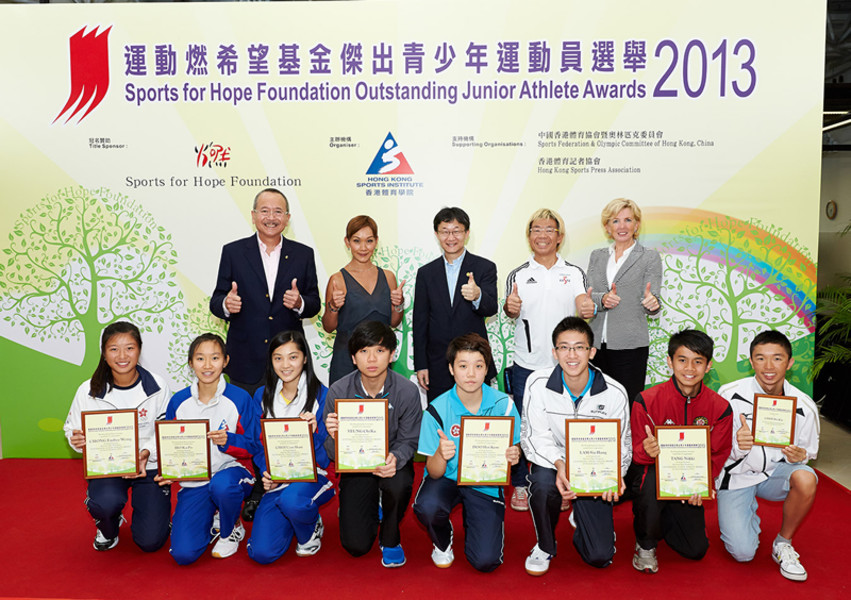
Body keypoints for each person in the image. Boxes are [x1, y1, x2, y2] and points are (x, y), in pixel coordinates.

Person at [521, 317, 631, 576]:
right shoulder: (537, 384)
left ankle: (581, 518)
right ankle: (544, 545)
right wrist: (560, 465)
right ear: (554, 352)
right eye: (564, 347)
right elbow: (533, 437)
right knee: (542, 485)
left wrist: (615, 476)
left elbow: (622, 445)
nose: (572, 355)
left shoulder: (615, 392)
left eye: (579, 347)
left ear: (591, 352)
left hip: (594, 467)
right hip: (553, 461)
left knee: (600, 557)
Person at [503, 208, 593, 511]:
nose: (542, 235)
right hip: (526, 363)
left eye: (549, 229)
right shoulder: (518, 273)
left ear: (560, 236)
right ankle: (519, 483)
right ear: (529, 236)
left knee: (566, 423)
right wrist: (510, 307)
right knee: (521, 423)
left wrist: (587, 306)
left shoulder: (574, 273)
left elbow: (583, 302)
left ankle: (564, 482)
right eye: (536, 229)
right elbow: (510, 309)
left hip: (567, 364)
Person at [716, 330, 819, 581]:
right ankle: (743, 511)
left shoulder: (804, 405)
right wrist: (738, 445)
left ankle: (783, 543)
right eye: (760, 358)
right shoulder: (728, 395)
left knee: (806, 478)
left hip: (775, 475)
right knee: (743, 553)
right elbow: (715, 447)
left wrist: (799, 456)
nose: (769, 366)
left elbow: (808, 453)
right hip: (738, 476)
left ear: (790, 362)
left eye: (777, 358)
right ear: (751, 362)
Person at [413, 334, 521, 572]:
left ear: (486, 369)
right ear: (451, 369)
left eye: (478, 366)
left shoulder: (504, 405)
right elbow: (433, 471)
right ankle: (443, 541)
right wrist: (441, 454)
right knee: (426, 507)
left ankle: (478, 520)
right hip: (446, 479)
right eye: (463, 366)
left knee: (486, 562)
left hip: (484, 481)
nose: (471, 374)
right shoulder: (436, 410)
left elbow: (515, 447)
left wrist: (514, 454)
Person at [630, 329, 732, 574]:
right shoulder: (646, 400)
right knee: (650, 480)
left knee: (695, 550)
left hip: (688, 483)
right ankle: (645, 543)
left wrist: (702, 484)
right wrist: (647, 451)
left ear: (708, 366)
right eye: (682, 360)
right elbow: (636, 455)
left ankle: (661, 519)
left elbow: (718, 453)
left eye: (698, 361)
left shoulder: (720, 408)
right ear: (669, 362)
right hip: (652, 479)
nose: (690, 368)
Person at [63, 321, 171, 552]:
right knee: (105, 503)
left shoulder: (158, 386)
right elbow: (71, 428)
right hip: (108, 465)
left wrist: (146, 453)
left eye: (129, 348)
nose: (122, 355)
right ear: (103, 353)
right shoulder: (88, 390)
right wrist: (78, 441)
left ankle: (156, 517)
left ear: (139, 350)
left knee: (151, 542)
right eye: (114, 349)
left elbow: (165, 429)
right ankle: (108, 525)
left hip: (148, 465)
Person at [323, 320, 422, 567]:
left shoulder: (407, 391)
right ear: (354, 358)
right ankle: (371, 505)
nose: (372, 359)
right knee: (355, 547)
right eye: (364, 351)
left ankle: (390, 539)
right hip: (356, 465)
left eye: (379, 350)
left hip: (390, 463)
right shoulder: (338, 391)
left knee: (398, 484)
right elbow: (331, 453)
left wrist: (396, 458)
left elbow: (410, 439)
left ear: (391, 354)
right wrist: (336, 437)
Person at [159, 334, 259, 564]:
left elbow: (254, 445)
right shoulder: (179, 402)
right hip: (195, 481)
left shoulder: (240, 398)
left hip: (233, 473)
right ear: (190, 363)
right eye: (200, 358)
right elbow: (170, 445)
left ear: (225, 361)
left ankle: (231, 527)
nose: (207, 365)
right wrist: (170, 470)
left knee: (222, 486)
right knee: (183, 554)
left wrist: (229, 440)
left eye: (214, 358)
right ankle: (212, 515)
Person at [210, 188, 320, 395]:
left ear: (287, 218)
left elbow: (314, 303)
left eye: (278, 212)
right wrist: (226, 304)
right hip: (245, 361)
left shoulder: (303, 254)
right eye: (264, 211)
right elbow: (216, 301)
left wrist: (300, 303)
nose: (271, 217)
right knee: (246, 425)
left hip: (289, 362)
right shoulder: (233, 252)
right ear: (253, 216)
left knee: (287, 425)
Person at [246, 330, 336, 564]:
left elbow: (327, 458)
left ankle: (309, 531)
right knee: (261, 554)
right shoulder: (262, 396)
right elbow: (258, 444)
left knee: (293, 502)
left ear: (305, 358)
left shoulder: (323, 395)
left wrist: (316, 431)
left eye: (293, 357)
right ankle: (294, 516)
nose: (285, 365)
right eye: (278, 358)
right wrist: (268, 473)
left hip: (314, 476)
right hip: (278, 481)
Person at [414, 207, 498, 402]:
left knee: (477, 421)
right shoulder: (426, 273)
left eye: (456, 231)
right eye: (445, 231)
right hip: (438, 364)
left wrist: (478, 295)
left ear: (466, 233)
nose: (451, 237)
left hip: (474, 363)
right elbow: (420, 322)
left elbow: (491, 307)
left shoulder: (484, 267)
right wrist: (421, 364)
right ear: (437, 234)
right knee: (441, 420)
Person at [585, 198, 662, 405]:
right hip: (594, 345)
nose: (622, 226)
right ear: (607, 227)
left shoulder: (649, 257)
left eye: (628, 220)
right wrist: (602, 299)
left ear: (637, 225)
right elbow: (588, 294)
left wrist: (653, 303)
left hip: (631, 346)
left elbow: (653, 298)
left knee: (626, 403)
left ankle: (626, 439)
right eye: (615, 221)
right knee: (595, 404)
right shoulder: (597, 256)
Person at [322, 215, 405, 385]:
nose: (363, 247)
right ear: (347, 242)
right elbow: (328, 327)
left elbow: (394, 323)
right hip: (346, 360)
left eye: (369, 241)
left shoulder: (388, 277)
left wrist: (399, 304)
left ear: (376, 241)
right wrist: (333, 306)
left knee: (382, 410)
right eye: (356, 241)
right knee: (345, 409)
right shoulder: (337, 279)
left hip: (379, 360)